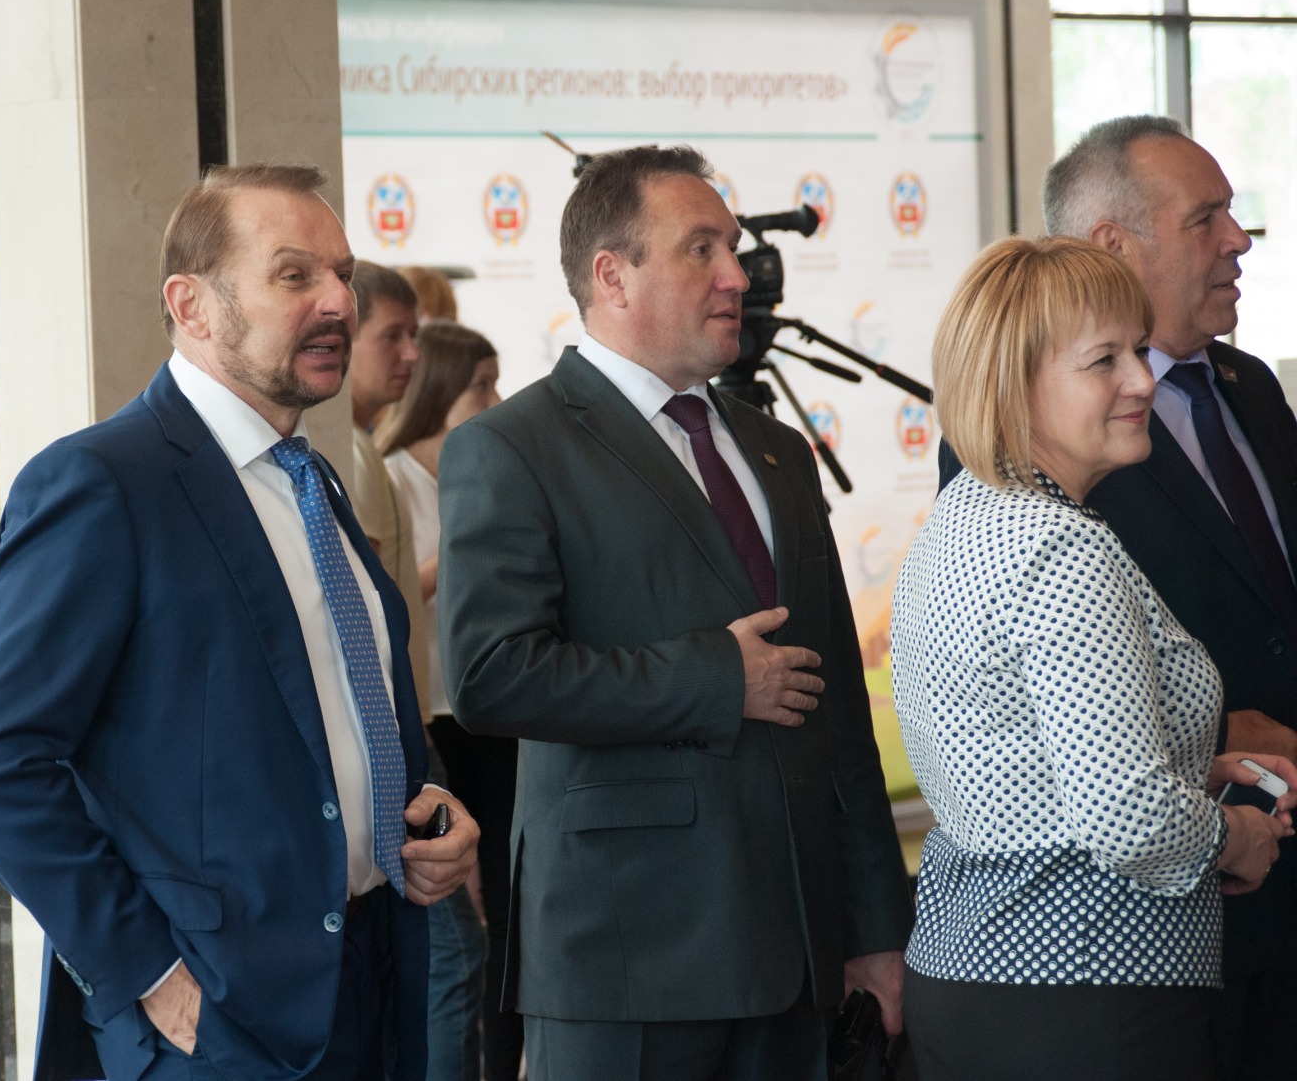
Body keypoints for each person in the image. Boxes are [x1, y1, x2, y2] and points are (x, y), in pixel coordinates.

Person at [0, 163, 480, 1081]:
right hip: (217, 1018)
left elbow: (328, 710)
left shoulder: (312, 477)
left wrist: (425, 812)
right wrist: (148, 972)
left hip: (370, 978)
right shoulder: (104, 483)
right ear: (191, 306)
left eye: (343, 274)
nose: (337, 302)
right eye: (295, 275)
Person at [438, 144, 912, 1081]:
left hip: (799, 954)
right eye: (702, 249)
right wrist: (715, 678)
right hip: (627, 957)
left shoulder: (778, 450)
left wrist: (874, 928)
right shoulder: (512, 446)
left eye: (731, 247)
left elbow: (839, 717)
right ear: (612, 276)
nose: (736, 275)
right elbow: (492, 675)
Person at [941, 116, 1297, 1080]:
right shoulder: (1046, 526)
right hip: (1100, 968)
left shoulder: (1245, 387)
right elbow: (1122, 807)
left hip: (1051, 966)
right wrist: (1230, 824)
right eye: (1205, 218)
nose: (1238, 240)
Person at [344, 264, 480, 1081]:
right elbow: (368, 616)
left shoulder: (354, 451)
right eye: (391, 336)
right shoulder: (353, 460)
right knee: (453, 957)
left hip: (406, 729)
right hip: (395, 737)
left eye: (414, 336)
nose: (409, 355)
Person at [378, 321, 521, 1081]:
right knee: (454, 929)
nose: (495, 400)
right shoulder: (390, 476)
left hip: (487, 713)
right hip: (429, 725)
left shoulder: (487, 475)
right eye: (480, 386)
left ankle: (505, 1060)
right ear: (440, 391)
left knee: (507, 908)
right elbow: (393, 599)